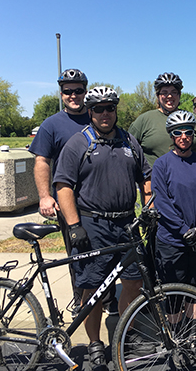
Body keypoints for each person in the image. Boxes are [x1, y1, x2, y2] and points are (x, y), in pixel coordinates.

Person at [54, 86, 153, 370]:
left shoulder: (129, 141)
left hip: (126, 223)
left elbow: (145, 178)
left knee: (133, 282)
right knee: (93, 288)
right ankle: (95, 342)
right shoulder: (78, 143)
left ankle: (124, 334)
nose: (105, 113)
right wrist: (74, 226)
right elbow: (63, 186)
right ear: (90, 112)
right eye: (98, 109)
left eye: (110, 108)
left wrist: (148, 209)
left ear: (115, 110)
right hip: (92, 224)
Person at [29, 69, 117, 317]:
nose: (73, 95)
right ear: (61, 94)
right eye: (68, 91)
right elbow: (42, 161)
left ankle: (108, 300)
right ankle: (82, 303)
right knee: (80, 256)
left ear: (86, 91)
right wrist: (45, 196)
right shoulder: (52, 124)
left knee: (107, 255)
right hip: (71, 205)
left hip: (101, 204)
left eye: (78, 90)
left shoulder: (97, 116)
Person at [151, 110, 196, 366]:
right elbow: (162, 202)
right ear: (171, 135)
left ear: (194, 134)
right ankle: (175, 339)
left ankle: (190, 338)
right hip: (172, 240)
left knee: (194, 290)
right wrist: (182, 229)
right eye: (178, 132)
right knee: (174, 294)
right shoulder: (162, 165)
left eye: (188, 132)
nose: (183, 136)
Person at [128, 72, 196, 166]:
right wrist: (144, 178)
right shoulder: (143, 120)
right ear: (158, 96)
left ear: (179, 94)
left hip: (188, 178)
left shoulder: (193, 120)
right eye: (164, 92)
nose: (169, 96)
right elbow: (129, 152)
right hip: (154, 179)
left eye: (174, 92)